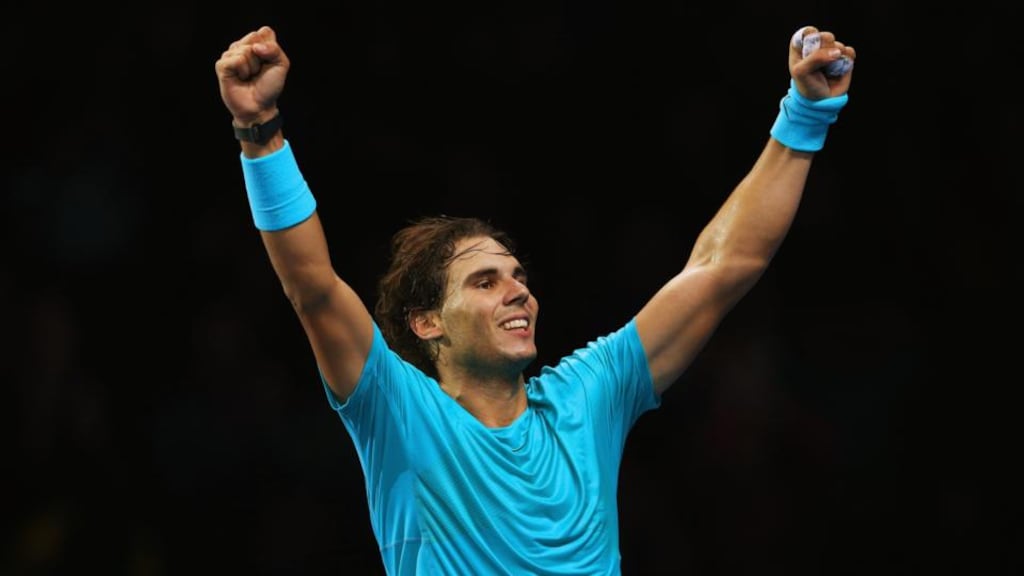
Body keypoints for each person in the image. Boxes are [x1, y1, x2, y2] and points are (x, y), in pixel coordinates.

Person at [214, 23, 855, 575]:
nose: (518, 289)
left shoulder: (588, 395)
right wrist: (257, 128)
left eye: (517, 275)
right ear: (427, 321)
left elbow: (722, 267)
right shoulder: (396, 411)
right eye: (485, 280)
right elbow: (313, 286)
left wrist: (804, 115)